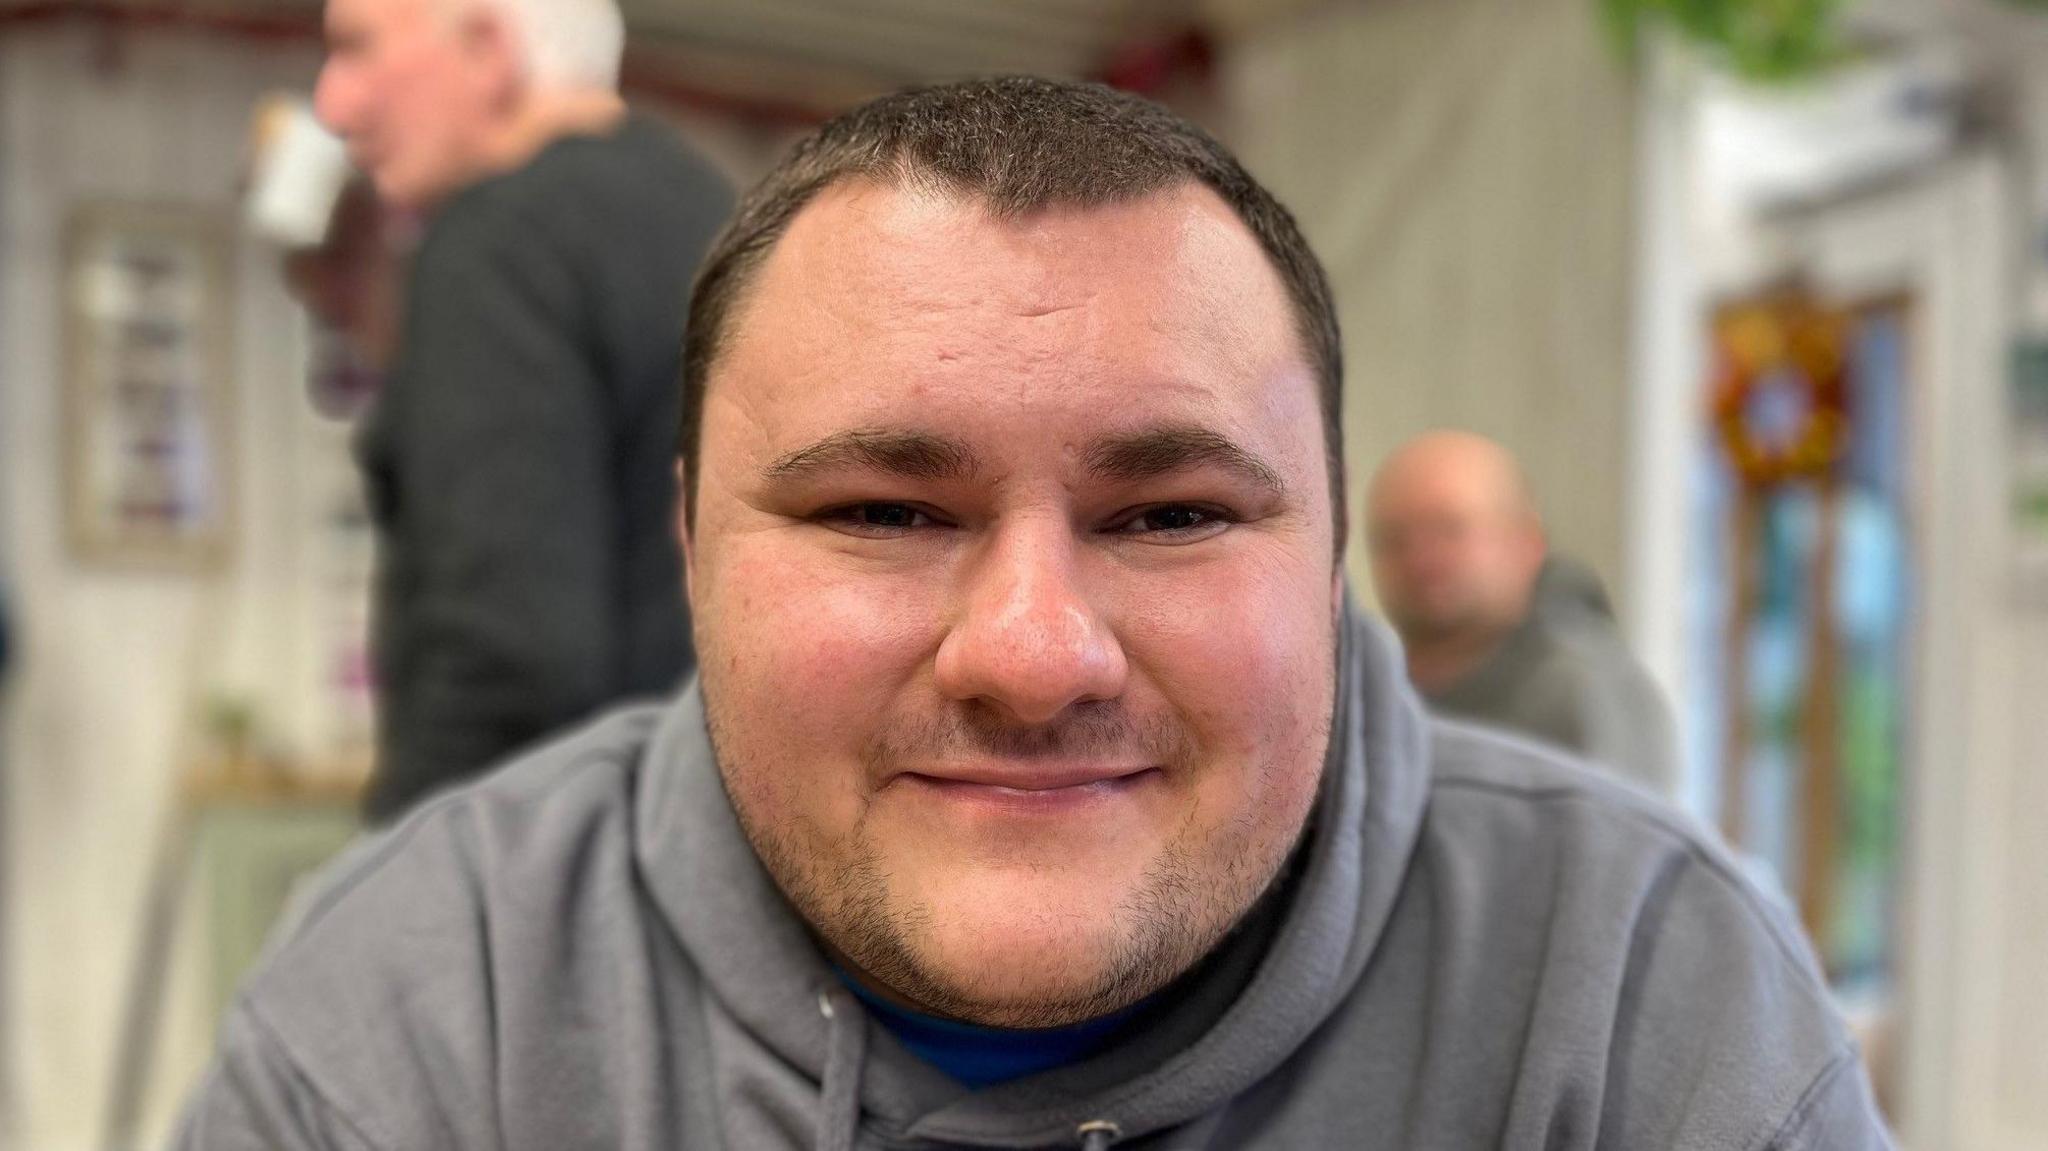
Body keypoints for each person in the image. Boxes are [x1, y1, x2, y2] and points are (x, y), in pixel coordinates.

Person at [175, 77, 1889, 1149]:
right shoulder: (420, 1011)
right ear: (690, 542)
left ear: (1328, 548)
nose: (1029, 652)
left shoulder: (1634, 1010)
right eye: (881, 511)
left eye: (1168, 513)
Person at [313, 0, 732, 821]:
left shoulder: (496, 245)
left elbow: (508, 656)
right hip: (715, 859)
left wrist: (395, 896)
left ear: (487, 51)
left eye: (358, 50)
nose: (334, 103)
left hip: (555, 880)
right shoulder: (717, 215)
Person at [1367, 430, 1682, 797]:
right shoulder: (1369, 693)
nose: (1420, 558)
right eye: (1394, 538)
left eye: (1449, 530)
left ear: (1527, 541)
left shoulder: (1586, 696)